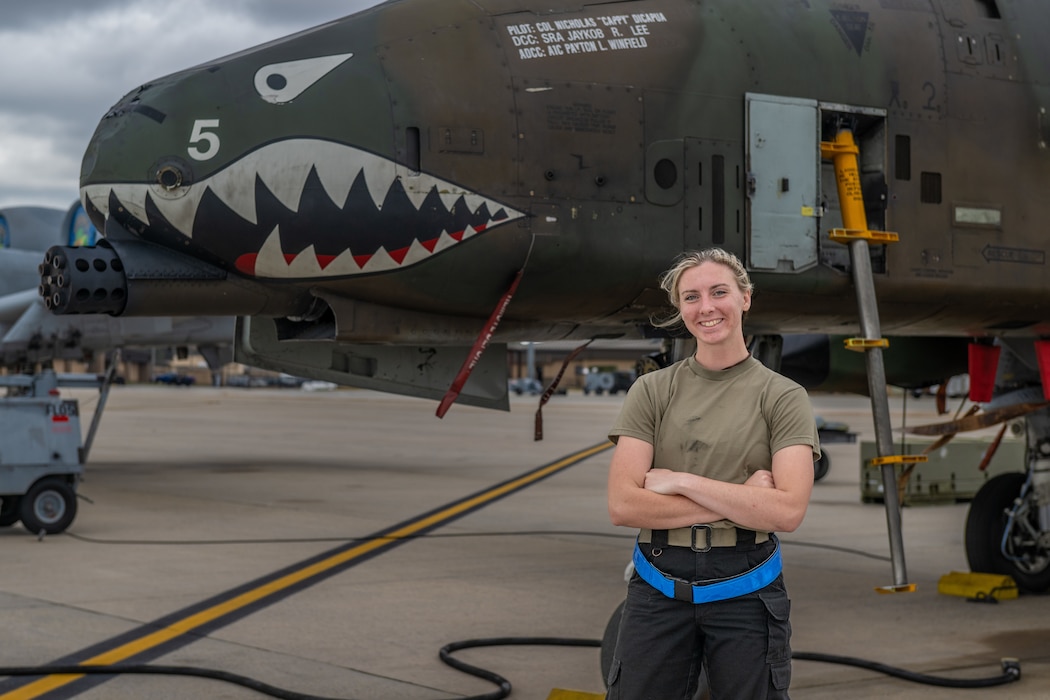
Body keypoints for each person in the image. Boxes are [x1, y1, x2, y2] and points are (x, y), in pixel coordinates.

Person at [605, 248, 820, 699]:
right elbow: (624, 505)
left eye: (719, 292)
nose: (706, 307)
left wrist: (683, 482)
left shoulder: (783, 396)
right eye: (691, 297)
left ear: (745, 298)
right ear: (680, 309)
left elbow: (786, 512)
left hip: (747, 586)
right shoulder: (652, 390)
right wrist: (743, 500)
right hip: (659, 582)